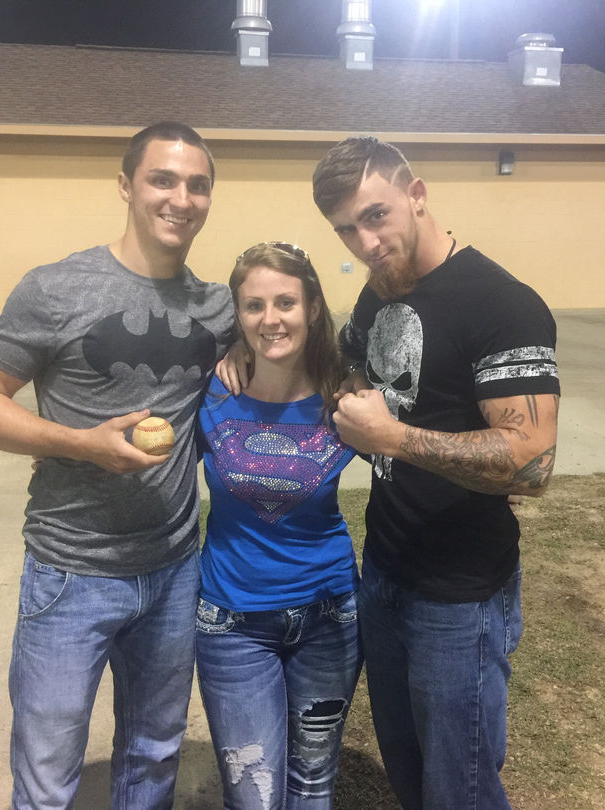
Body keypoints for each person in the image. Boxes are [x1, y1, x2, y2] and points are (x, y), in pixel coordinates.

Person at [0, 121, 234, 810]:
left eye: (197, 185)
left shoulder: (218, 308)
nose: (181, 198)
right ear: (126, 186)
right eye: (162, 180)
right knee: (48, 772)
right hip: (71, 570)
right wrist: (82, 443)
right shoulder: (58, 289)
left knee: (154, 753)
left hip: (173, 569)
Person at [314, 137, 559, 809]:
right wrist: (352, 384)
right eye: (346, 229)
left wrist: (392, 438)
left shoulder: (502, 303)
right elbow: (348, 356)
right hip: (384, 569)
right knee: (407, 767)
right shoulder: (381, 292)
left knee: (460, 787)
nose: (365, 242)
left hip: (460, 595)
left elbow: (532, 462)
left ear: (416, 194)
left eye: (376, 216)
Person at [196, 242, 361, 809]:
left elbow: (411, 449)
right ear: (238, 316)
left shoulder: (346, 397)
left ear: (312, 308)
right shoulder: (212, 391)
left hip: (330, 617)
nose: (271, 319)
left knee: (313, 783)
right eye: (254, 306)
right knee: (254, 795)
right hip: (232, 624)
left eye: (286, 302)